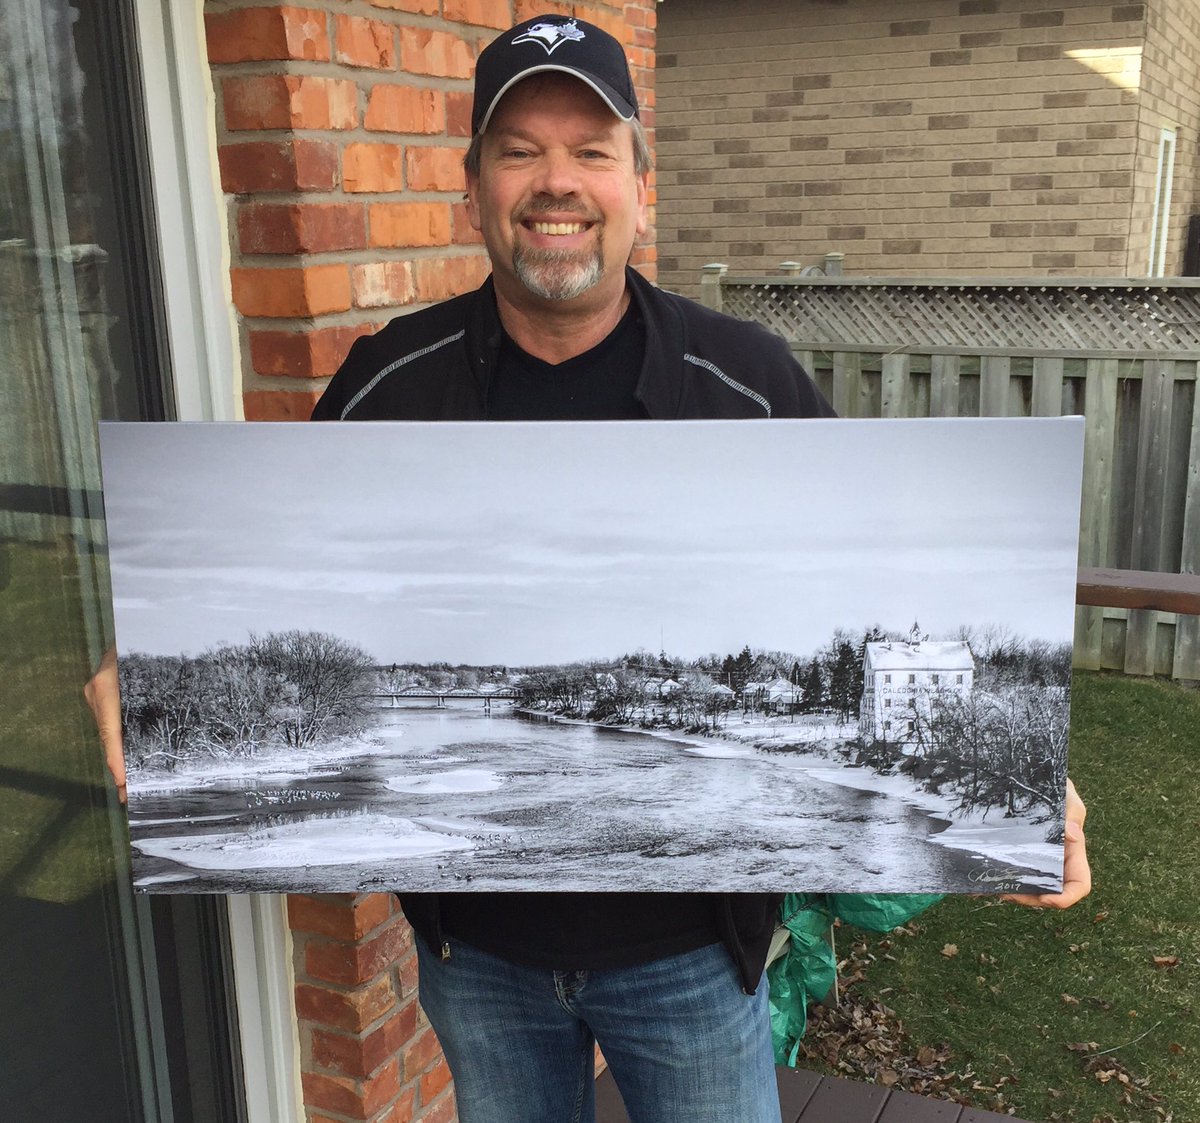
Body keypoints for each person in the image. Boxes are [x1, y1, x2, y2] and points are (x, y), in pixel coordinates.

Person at [88, 15, 1091, 1123]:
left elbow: (892, 594)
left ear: (638, 187)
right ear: (472, 185)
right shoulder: (389, 383)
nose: (554, 182)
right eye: (518, 149)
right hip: (479, 958)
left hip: (693, 958)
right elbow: (254, 583)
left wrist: (1029, 757)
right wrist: (142, 663)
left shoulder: (748, 381)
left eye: (590, 150)